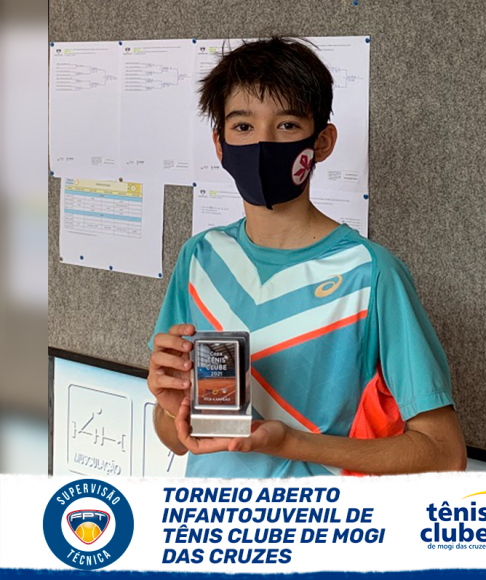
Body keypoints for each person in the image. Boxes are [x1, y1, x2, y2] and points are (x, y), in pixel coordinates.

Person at [147, 36, 466, 477]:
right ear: (220, 145)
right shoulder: (199, 256)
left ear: (322, 142)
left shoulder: (371, 274)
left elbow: (444, 453)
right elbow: (175, 439)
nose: (263, 143)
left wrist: (291, 442)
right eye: (243, 127)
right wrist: (170, 407)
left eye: (287, 125)